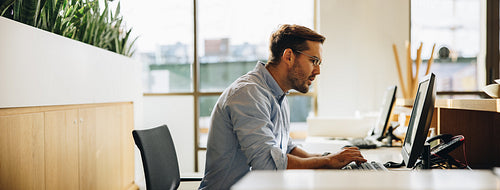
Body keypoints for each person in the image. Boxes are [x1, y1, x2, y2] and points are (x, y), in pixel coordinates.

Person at [198, 24, 367, 190]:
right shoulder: (248, 93)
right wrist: (328, 162)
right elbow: (268, 165)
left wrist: (330, 158)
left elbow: (286, 148)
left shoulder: (278, 94)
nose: (317, 71)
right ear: (289, 56)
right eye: (313, 61)